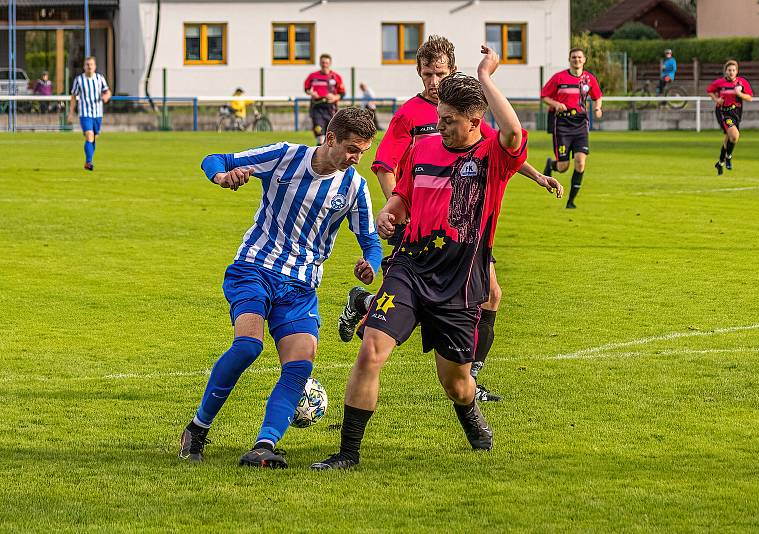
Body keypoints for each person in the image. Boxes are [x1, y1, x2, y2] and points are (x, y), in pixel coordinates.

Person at [311, 46, 528, 471]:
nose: (440, 126)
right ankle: (347, 454)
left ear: (474, 120)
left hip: (460, 281)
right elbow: (401, 198)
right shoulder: (424, 149)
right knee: (372, 348)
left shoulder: (492, 156)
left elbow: (515, 133)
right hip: (410, 266)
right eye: (440, 117)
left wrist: (486, 76)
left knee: (457, 384)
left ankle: (470, 414)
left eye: (449, 120)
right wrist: (388, 215)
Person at [336, 36, 562, 403]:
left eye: (440, 74)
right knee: (423, 295)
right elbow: (383, 166)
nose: (433, 82)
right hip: (418, 225)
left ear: (451, 72)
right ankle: (463, 377)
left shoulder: (463, 109)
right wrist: (398, 209)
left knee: (489, 294)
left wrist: (537, 176)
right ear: (418, 72)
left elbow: (501, 146)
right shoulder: (409, 114)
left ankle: (467, 375)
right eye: (427, 74)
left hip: (463, 229)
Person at [178, 107, 382, 469]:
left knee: (300, 364)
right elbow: (214, 159)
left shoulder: (354, 187)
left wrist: (371, 262)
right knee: (247, 346)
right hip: (254, 268)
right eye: (351, 148)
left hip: (301, 287)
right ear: (330, 138)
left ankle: (264, 445)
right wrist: (223, 176)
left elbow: (370, 240)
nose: (355, 159)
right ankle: (197, 428)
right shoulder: (285, 156)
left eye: (362, 152)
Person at [541, 47, 603, 209]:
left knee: (580, 163)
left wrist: (597, 108)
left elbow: (598, 97)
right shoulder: (559, 78)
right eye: (574, 57)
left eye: (579, 57)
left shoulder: (589, 79)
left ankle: (571, 201)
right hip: (562, 124)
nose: (577, 60)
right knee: (563, 167)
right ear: (569, 60)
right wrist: (556, 104)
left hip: (580, 124)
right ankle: (551, 164)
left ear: (584, 60)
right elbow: (544, 96)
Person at [707, 60, 753, 175]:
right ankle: (728, 157)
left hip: (736, 112)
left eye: (733, 70)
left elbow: (750, 98)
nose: (731, 72)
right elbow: (710, 91)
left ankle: (720, 163)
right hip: (723, 112)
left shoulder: (742, 82)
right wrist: (716, 99)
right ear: (725, 71)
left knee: (729, 138)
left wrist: (740, 94)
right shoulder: (719, 83)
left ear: (737, 71)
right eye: (729, 70)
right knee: (734, 136)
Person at [69, 57, 110, 171]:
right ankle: (88, 162)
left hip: (98, 113)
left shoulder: (100, 78)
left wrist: (106, 96)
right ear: (84, 67)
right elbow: (73, 96)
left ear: (95, 66)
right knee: (89, 136)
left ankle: (89, 159)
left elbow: (107, 91)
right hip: (85, 113)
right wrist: (71, 113)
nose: (89, 67)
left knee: (94, 138)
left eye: (91, 64)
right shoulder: (79, 80)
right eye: (87, 64)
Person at [305, 54, 346, 145]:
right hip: (317, 107)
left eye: (326, 63)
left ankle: (330, 157)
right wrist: (311, 93)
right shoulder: (313, 76)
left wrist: (335, 97)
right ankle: (318, 158)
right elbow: (307, 89)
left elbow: (342, 93)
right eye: (323, 62)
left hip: (331, 109)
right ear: (320, 63)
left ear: (330, 63)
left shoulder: (336, 77)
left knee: (331, 135)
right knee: (320, 136)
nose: (324, 65)